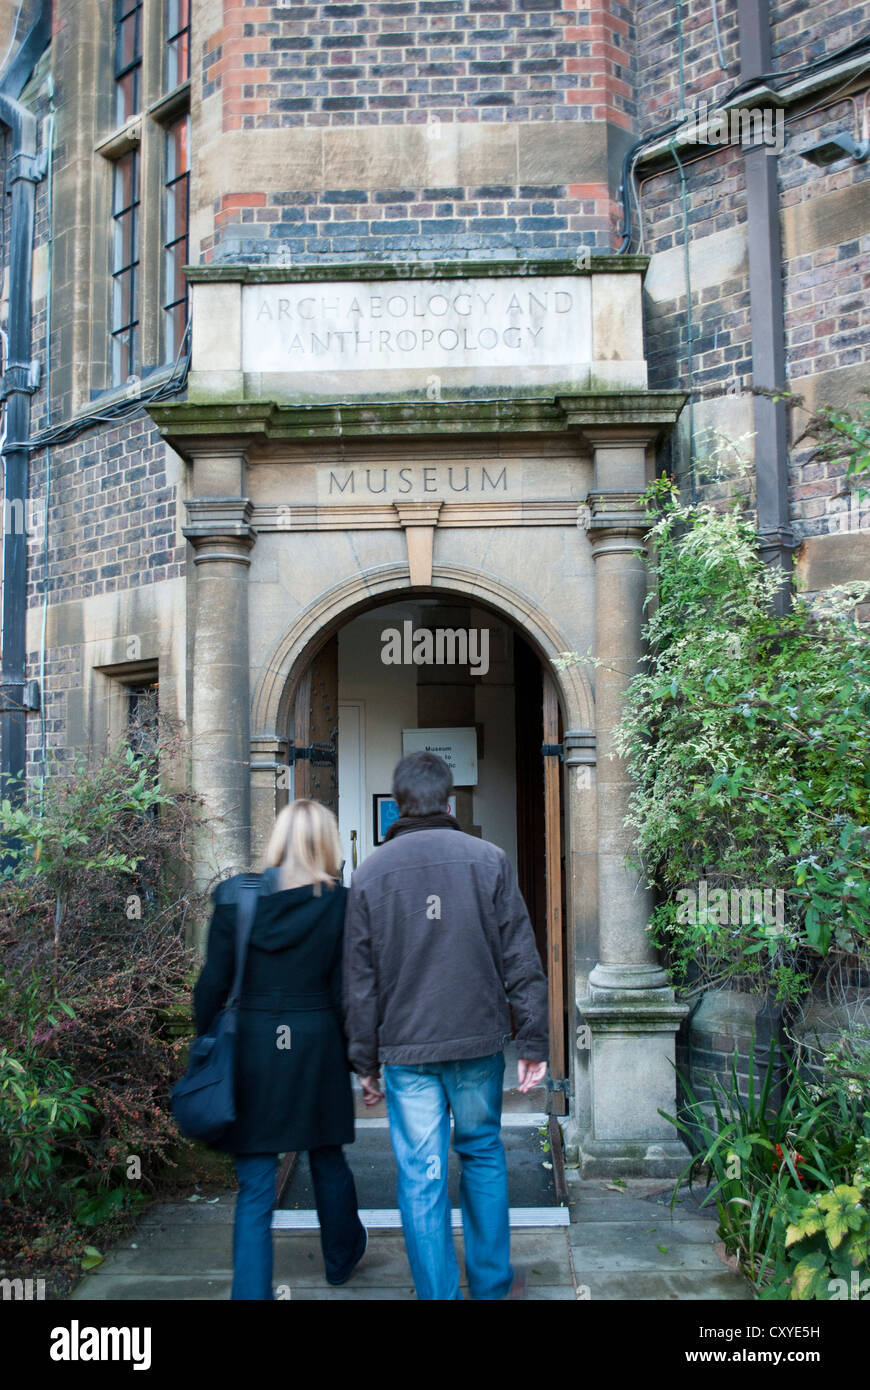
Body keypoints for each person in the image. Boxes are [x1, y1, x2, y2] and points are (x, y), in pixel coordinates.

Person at [343, 751, 549, 1301]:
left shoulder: (369, 874)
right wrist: (532, 1041)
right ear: (450, 801)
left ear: (398, 806)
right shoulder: (490, 860)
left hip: (406, 1052)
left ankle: (439, 1295)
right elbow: (521, 959)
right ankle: (491, 1285)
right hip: (478, 1042)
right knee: (482, 1152)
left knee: (421, 1173)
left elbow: (358, 982)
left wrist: (363, 1063)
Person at [193, 799, 367, 1299]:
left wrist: (207, 1038)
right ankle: (340, 1259)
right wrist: (361, 1060)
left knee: (255, 1184)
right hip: (315, 1044)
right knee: (328, 1158)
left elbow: (211, 986)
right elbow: (344, 993)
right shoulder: (341, 903)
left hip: (251, 1044)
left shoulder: (235, 898)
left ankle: (251, 1293)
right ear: (326, 843)